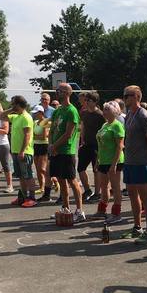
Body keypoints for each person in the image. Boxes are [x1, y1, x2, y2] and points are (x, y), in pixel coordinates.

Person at [120, 85, 147, 244]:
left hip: (142, 162)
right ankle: (137, 227)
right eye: (124, 95)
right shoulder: (129, 114)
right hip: (129, 161)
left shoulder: (144, 116)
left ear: (136, 97)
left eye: (127, 95)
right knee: (132, 195)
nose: (124, 98)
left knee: (145, 197)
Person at [49, 83, 85, 222]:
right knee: (60, 179)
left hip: (66, 151)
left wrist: (55, 146)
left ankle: (79, 211)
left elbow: (68, 134)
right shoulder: (58, 111)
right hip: (56, 150)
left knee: (72, 180)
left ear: (67, 93)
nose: (57, 92)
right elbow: (52, 130)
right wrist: (51, 145)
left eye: (59, 90)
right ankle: (66, 208)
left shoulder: (72, 111)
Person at [0, 95, 36, 207]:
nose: (11, 105)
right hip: (15, 151)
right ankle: (23, 197)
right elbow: (0, 116)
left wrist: (22, 151)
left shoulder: (26, 117)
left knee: (28, 175)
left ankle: (32, 198)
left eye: (13, 103)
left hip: (24, 152)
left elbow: (27, 136)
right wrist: (11, 109)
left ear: (19, 104)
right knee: (21, 176)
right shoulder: (16, 116)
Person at [95, 100, 125, 223]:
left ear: (115, 112)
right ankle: (102, 210)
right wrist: (98, 160)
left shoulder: (117, 125)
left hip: (114, 161)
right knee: (103, 186)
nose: (105, 112)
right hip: (103, 160)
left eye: (107, 110)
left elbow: (120, 146)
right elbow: (100, 144)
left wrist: (114, 164)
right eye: (104, 109)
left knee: (115, 187)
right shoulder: (104, 125)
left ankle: (116, 213)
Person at [78, 90, 105, 202]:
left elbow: (104, 130)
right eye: (86, 100)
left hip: (97, 146)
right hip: (86, 144)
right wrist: (82, 140)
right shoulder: (84, 113)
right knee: (80, 169)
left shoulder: (100, 115)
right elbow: (83, 126)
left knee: (96, 169)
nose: (86, 102)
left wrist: (102, 146)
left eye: (89, 100)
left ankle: (97, 193)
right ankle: (88, 190)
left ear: (95, 101)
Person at [0, 99, 13, 194]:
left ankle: (9, 185)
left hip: (3, 144)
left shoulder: (3, 117)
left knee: (5, 165)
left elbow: (6, 131)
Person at [31, 105, 49, 198]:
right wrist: (35, 136)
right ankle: (41, 187)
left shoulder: (46, 121)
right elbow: (32, 134)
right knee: (38, 169)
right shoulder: (35, 122)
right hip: (36, 146)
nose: (35, 114)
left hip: (44, 146)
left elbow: (44, 137)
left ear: (41, 113)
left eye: (36, 113)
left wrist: (34, 136)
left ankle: (54, 180)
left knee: (42, 168)